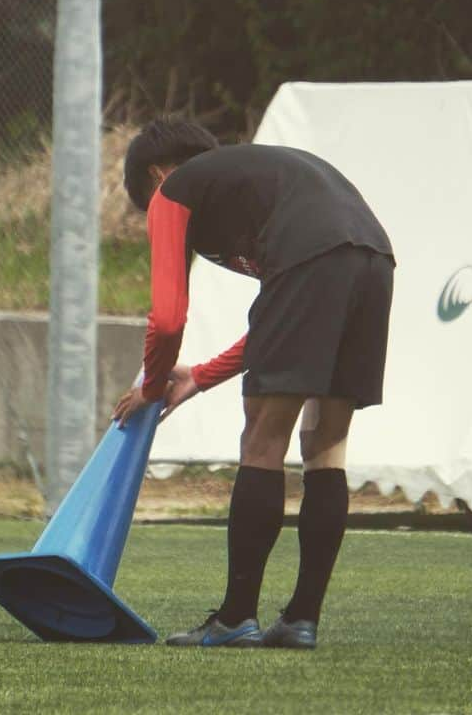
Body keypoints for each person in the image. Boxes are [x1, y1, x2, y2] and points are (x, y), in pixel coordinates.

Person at [112, 119, 394, 650]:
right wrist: (198, 376)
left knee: (262, 440)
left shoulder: (175, 188)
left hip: (316, 256)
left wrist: (151, 386)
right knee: (325, 445)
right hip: (374, 258)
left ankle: (236, 617)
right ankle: (301, 620)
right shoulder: (256, 182)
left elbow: (168, 319)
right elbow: (281, 321)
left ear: (156, 175)